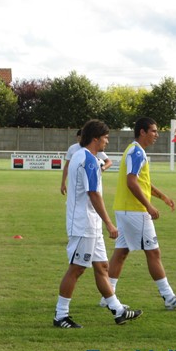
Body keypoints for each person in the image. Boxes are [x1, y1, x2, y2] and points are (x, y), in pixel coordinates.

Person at [54, 119, 143, 328]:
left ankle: (118, 310)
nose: (107, 142)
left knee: (102, 267)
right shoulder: (89, 160)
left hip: (90, 224)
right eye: (105, 138)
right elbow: (93, 193)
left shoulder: (80, 155)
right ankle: (60, 316)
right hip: (83, 224)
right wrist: (110, 224)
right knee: (76, 269)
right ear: (95, 138)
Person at [100, 117, 176, 310]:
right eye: (153, 131)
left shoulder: (134, 150)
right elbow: (131, 182)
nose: (156, 135)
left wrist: (162, 197)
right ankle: (169, 297)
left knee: (122, 252)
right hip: (135, 211)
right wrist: (149, 207)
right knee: (153, 253)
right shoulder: (137, 152)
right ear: (142, 132)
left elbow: (142, 183)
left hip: (124, 208)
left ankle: (107, 296)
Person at [61, 129, 112, 195]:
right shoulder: (72, 148)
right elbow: (67, 166)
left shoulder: (93, 148)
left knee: (92, 194)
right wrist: (63, 183)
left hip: (90, 180)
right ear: (77, 137)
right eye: (80, 137)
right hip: (75, 182)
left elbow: (109, 162)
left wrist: (102, 168)